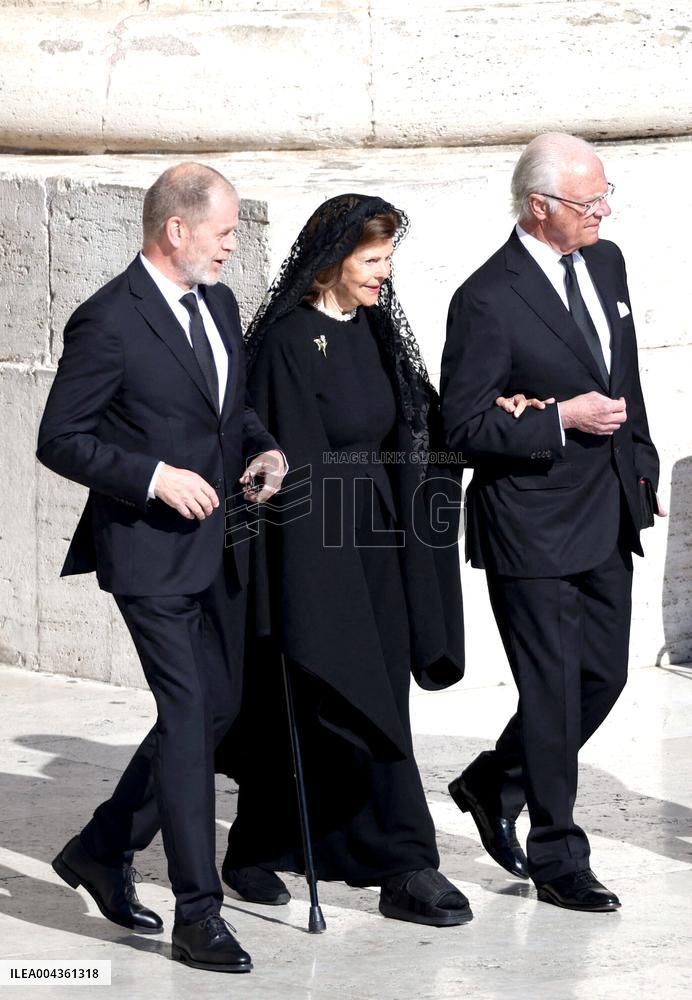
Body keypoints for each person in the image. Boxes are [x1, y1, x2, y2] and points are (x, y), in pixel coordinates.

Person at [36, 163, 285, 973]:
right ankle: (198, 911)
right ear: (176, 229)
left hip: (218, 542)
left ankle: (101, 850)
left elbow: (227, 406)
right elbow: (61, 438)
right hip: (145, 551)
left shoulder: (217, 301)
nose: (232, 244)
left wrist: (261, 447)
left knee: (216, 710)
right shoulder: (107, 320)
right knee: (187, 714)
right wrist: (152, 477)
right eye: (223, 231)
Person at [216, 193, 472, 927]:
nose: (384, 274)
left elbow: (418, 426)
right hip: (314, 550)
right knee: (316, 698)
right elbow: (285, 465)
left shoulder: (376, 328)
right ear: (332, 261)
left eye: (389, 259)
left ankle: (373, 855)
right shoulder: (289, 342)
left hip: (380, 544)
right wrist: (312, 578)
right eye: (372, 260)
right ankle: (381, 858)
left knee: (377, 697)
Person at [440, 133, 662, 912]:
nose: (603, 209)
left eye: (605, 194)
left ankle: (494, 781)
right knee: (553, 689)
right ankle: (558, 854)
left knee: (604, 676)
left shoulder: (607, 261)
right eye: (587, 200)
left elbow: (624, 374)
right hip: (529, 522)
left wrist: (642, 462)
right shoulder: (486, 298)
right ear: (540, 208)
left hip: (608, 508)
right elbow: (460, 426)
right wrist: (560, 420)